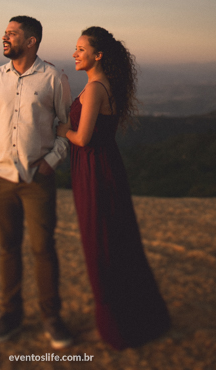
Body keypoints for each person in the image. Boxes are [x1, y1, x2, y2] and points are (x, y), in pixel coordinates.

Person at [57, 26, 171, 350]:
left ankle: (117, 327)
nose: (75, 54)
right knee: (113, 242)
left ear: (98, 54)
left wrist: (62, 128)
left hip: (95, 171)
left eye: (81, 49)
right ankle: (131, 318)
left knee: (102, 244)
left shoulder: (95, 89)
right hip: (100, 167)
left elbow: (82, 138)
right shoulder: (98, 86)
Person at [0, 16, 73, 348]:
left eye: (12, 34)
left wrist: (51, 162)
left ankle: (52, 318)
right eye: (5, 32)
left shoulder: (53, 78)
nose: (4, 37)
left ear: (31, 41)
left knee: (43, 250)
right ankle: (11, 315)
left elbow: (66, 127)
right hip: (0, 179)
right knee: (8, 249)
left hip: (37, 180)